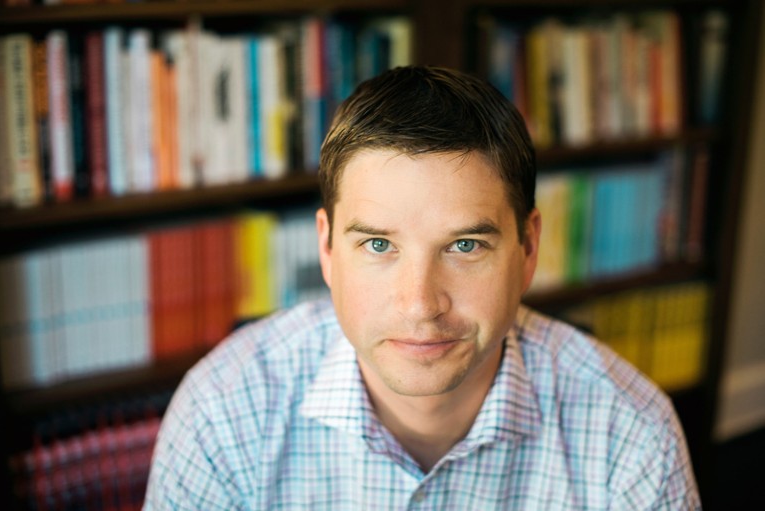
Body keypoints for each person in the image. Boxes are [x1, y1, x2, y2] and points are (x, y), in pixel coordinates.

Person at [143, 66, 700, 510]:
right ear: (328, 249)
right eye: (379, 245)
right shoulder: (221, 413)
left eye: (465, 246)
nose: (419, 304)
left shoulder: (630, 436)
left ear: (528, 248)